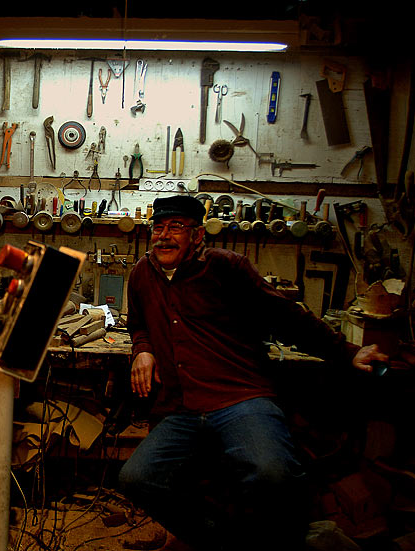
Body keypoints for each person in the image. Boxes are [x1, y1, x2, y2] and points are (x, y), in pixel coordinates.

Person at [118, 195, 386, 551]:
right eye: (159, 227)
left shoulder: (227, 267)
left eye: (176, 227)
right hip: (181, 407)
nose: (164, 236)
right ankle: (220, 540)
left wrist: (347, 351)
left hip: (240, 398)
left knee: (274, 473)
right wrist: (143, 349)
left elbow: (286, 316)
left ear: (197, 235)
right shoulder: (142, 273)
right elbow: (138, 323)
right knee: (136, 478)